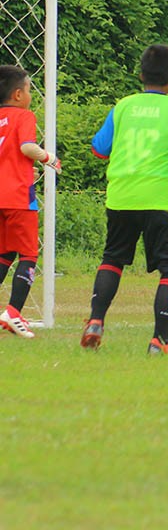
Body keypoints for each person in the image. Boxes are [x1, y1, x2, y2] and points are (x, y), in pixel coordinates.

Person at [80, 44, 168, 354]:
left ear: (141, 75)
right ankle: (162, 340)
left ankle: (95, 322)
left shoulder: (123, 106)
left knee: (112, 259)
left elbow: (99, 149)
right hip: (160, 200)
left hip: (121, 197)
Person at [0, 65, 62, 339]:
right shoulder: (23, 115)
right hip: (18, 198)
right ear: (16, 94)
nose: (30, 94)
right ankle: (13, 312)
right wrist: (48, 158)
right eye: (28, 89)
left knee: (4, 253)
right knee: (28, 254)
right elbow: (26, 147)